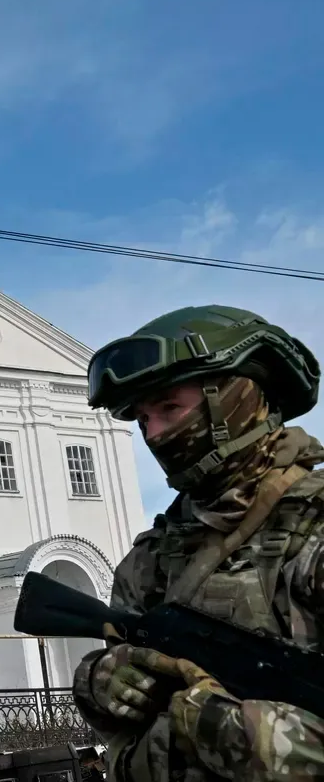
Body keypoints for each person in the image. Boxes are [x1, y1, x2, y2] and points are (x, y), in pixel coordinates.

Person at [71, 305, 324, 781]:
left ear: (235, 397)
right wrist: (98, 682)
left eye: (169, 408)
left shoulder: (313, 525)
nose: (155, 434)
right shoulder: (151, 558)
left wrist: (219, 726)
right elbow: (123, 731)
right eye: (143, 419)